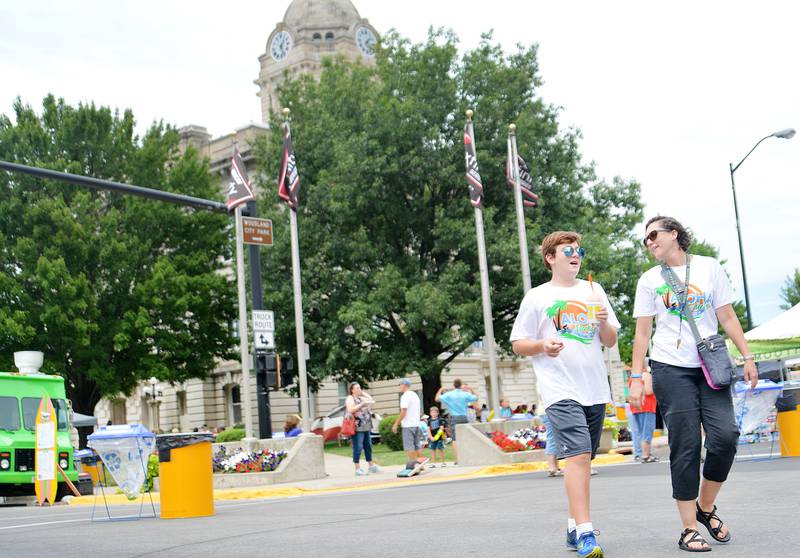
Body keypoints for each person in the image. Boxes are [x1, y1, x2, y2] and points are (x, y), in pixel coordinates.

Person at [630, 216, 758, 552]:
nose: (649, 242)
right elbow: (643, 333)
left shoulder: (708, 267)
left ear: (674, 234)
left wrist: (747, 357)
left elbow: (727, 315)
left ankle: (705, 506)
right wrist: (635, 375)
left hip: (709, 364)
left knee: (726, 436)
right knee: (685, 444)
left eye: (654, 235)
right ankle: (689, 527)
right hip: (670, 368)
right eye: (645, 239)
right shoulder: (648, 280)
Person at [511, 231, 620, 558]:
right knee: (576, 457)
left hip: (595, 388)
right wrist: (543, 345)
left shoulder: (594, 290)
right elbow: (518, 343)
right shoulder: (537, 297)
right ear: (550, 258)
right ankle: (587, 533)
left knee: (582, 462)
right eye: (568, 250)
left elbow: (611, 340)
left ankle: (574, 526)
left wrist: (603, 324)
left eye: (579, 251)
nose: (576, 255)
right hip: (560, 390)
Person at [435, 379, 478, 465]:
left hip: (454, 417)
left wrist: (441, 390)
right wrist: (471, 389)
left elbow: (436, 399)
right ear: (460, 385)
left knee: (455, 439)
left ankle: (458, 459)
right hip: (464, 417)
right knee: (465, 438)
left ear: (454, 385)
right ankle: (467, 457)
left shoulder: (449, 394)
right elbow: (476, 397)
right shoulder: (465, 394)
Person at [345, 382, 380, 476]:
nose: (358, 389)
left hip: (366, 425)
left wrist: (362, 393)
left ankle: (371, 466)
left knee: (368, 446)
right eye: (356, 388)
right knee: (358, 447)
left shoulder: (361, 398)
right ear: (352, 390)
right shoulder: (350, 398)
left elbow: (372, 400)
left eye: (359, 388)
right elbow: (350, 410)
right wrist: (362, 404)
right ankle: (357, 469)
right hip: (357, 427)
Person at [391, 378, 425, 464]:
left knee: (409, 446)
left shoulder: (405, 396)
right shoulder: (415, 395)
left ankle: (412, 465)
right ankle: (421, 465)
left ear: (405, 385)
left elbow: (403, 411)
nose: (400, 386)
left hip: (408, 425)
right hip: (416, 424)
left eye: (400, 384)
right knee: (417, 446)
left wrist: (396, 424)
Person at [628, 370, 658, 463]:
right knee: (647, 431)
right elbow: (649, 391)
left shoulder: (633, 378)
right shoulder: (646, 375)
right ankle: (646, 455)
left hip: (635, 406)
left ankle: (638, 454)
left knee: (638, 432)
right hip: (647, 406)